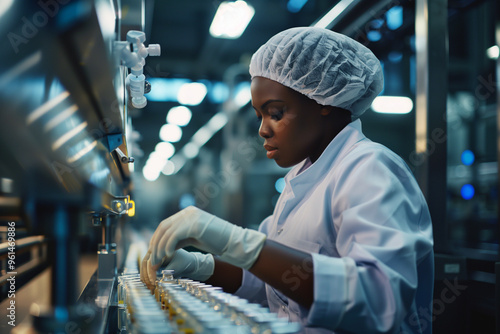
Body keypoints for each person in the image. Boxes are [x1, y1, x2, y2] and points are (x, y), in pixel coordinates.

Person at [140, 27, 434, 334]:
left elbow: (378, 300)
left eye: (276, 113)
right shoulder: (301, 178)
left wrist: (235, 241)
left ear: (324, 102)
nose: (263, 130)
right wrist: (201, 267)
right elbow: (269, 280)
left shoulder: (370, 169)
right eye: (259, 116)